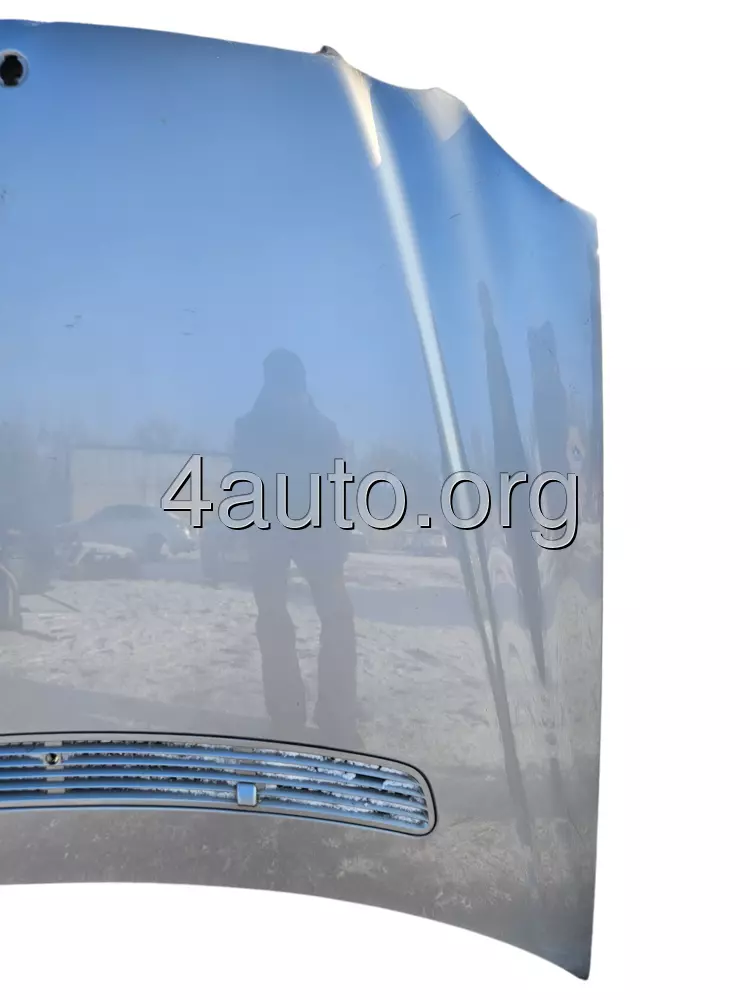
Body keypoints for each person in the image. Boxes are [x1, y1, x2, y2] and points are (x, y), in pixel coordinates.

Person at [232, 349, 359, 747]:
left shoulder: (320, 427)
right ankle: (293, 715)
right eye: (282, 384)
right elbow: (242, 480)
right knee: (278, 620)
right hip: (271, 530)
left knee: (335, 619)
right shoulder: (253, 426)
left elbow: (340, 480)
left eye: (292, 385)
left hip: (315, 530)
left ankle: (331, 716)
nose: (288, 393)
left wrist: (340, 532)